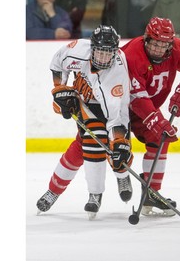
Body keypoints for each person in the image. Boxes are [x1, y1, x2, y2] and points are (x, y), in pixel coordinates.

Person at [36, 25, 134, 219]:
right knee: (93, 140)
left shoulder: (118, 75)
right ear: (92, 47)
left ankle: (122, 175)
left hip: (112, 107)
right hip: (85, 101)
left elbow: (117, 117)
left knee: (116, 150)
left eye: (109, 53)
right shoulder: (77, 50)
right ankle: (95, 194)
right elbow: (57, 64)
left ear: (116, 52)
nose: (104, 58)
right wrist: (60, 90)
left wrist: (120, 143)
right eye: (100, 52)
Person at [120, 17, 180, 216]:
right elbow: (136, 95)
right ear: (146, 39)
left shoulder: (176, 48)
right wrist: (153, 118)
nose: (160, 49)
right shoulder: (132, 54)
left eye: (164, 44)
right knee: (92, 147)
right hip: (118, 110)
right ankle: (71, 192)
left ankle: (152, 193)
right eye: (155, 43)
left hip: (145, 107)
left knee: (160, 136)